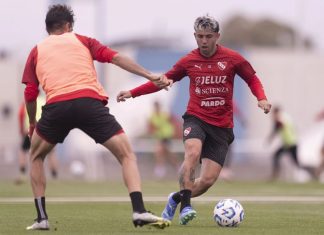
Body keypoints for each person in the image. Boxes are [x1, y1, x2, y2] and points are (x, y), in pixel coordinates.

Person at [22, 4, 170, 231]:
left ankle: (42, 218)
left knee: (35, 157)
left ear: (48, 28)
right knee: (126, 154)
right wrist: (150, 75)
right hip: (88, 104)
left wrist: (32, 123)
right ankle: (139, 210)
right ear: (69, 26)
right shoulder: (82, 40)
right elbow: (116, 58)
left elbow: (30, 94)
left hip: (56, 107)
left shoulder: (36, 51)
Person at [117, 15, 272, 225]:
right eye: (200, 36)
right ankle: (186, 206)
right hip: (196, 118)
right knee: (192, 151)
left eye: (209, 36)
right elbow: (162, 81)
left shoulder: (232, 58)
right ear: (195, 36)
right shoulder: (189, 61)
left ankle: (176, 198)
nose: (204, 41)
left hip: (222, 126)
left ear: (217, 36)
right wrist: (132, 93)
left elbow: (251, 78)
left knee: (207, 181)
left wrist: (261, 98)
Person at [267, 106, 316, 181]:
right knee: (277, 156)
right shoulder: (286, 117)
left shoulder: (281, 119)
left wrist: (270, 139)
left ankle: (312, 171)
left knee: (295, 163)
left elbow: (277, 128)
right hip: (289, 143)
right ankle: (275, 175)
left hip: (291, 143)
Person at [16, 98, 58, 184]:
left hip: (31, 130)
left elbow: (20, 115)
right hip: (45, 130)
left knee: (23, 151)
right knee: (51, 153)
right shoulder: (44, 101)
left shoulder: (26, 102)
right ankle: (54, 176)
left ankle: (22, 173)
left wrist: (21, 130)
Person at [148, 101, 181, 179]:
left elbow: (175, 121)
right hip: (159, 137)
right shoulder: (152, 116)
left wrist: (176, 132)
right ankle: (177, 167)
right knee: (165, 153)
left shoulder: (165, 115)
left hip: (167, 136)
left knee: (160, 151)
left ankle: (160, 170)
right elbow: (150, 127)